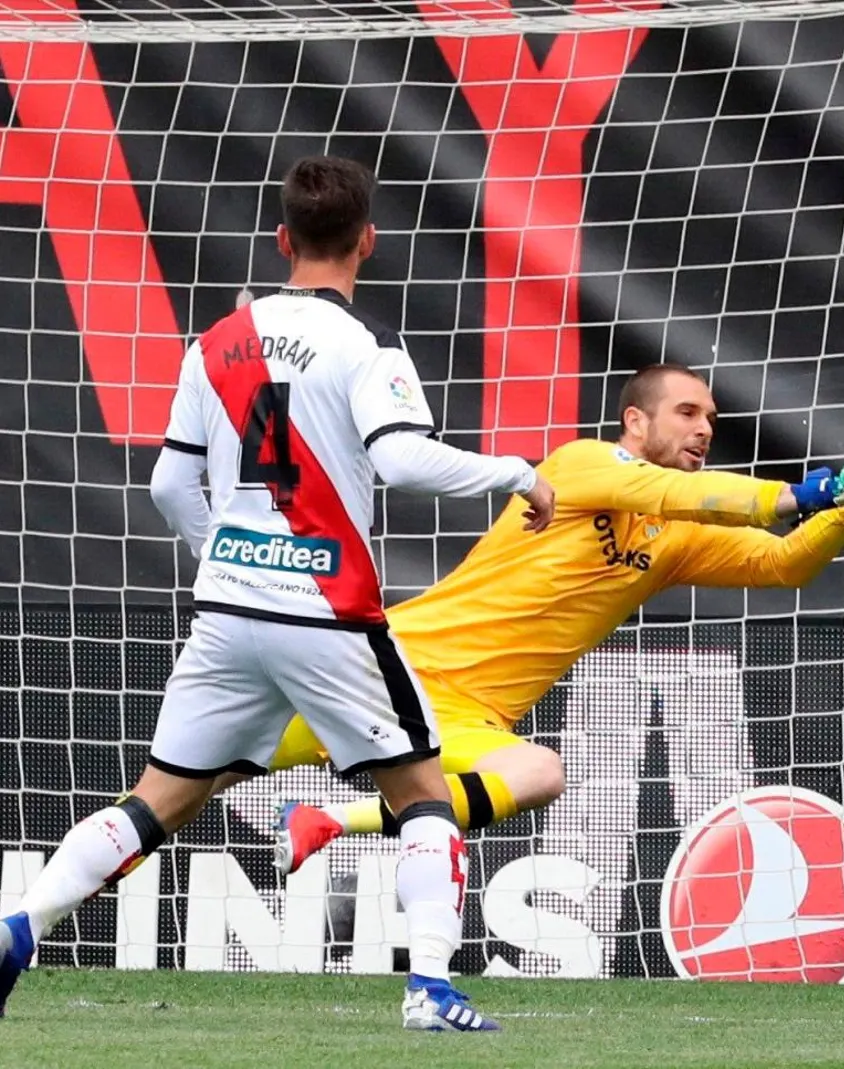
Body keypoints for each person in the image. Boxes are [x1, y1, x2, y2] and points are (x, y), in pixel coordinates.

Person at [0, 156, 556, 1031]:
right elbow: (404, 458)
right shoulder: (365, 348)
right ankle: (433, 989)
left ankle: (20, 926)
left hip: (228, 612)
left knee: (156, 800)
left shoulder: (215, 342)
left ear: (281, 240)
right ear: (366, 241)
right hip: (327, 611)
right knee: (422, 797)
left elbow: (168, 490)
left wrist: (227, 558)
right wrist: (518, 470)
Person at [227, 365, 844, 875]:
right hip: (388, 668)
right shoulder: (584, 463)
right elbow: (676, 490)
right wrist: (817, 488)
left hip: (469, 718)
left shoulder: (675, 536)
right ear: (635, 420)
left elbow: (782, 565)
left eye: (713, 418)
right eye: (688, 411)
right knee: (173, 789)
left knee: (538, 770)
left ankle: (323, 820)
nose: (705, 427)